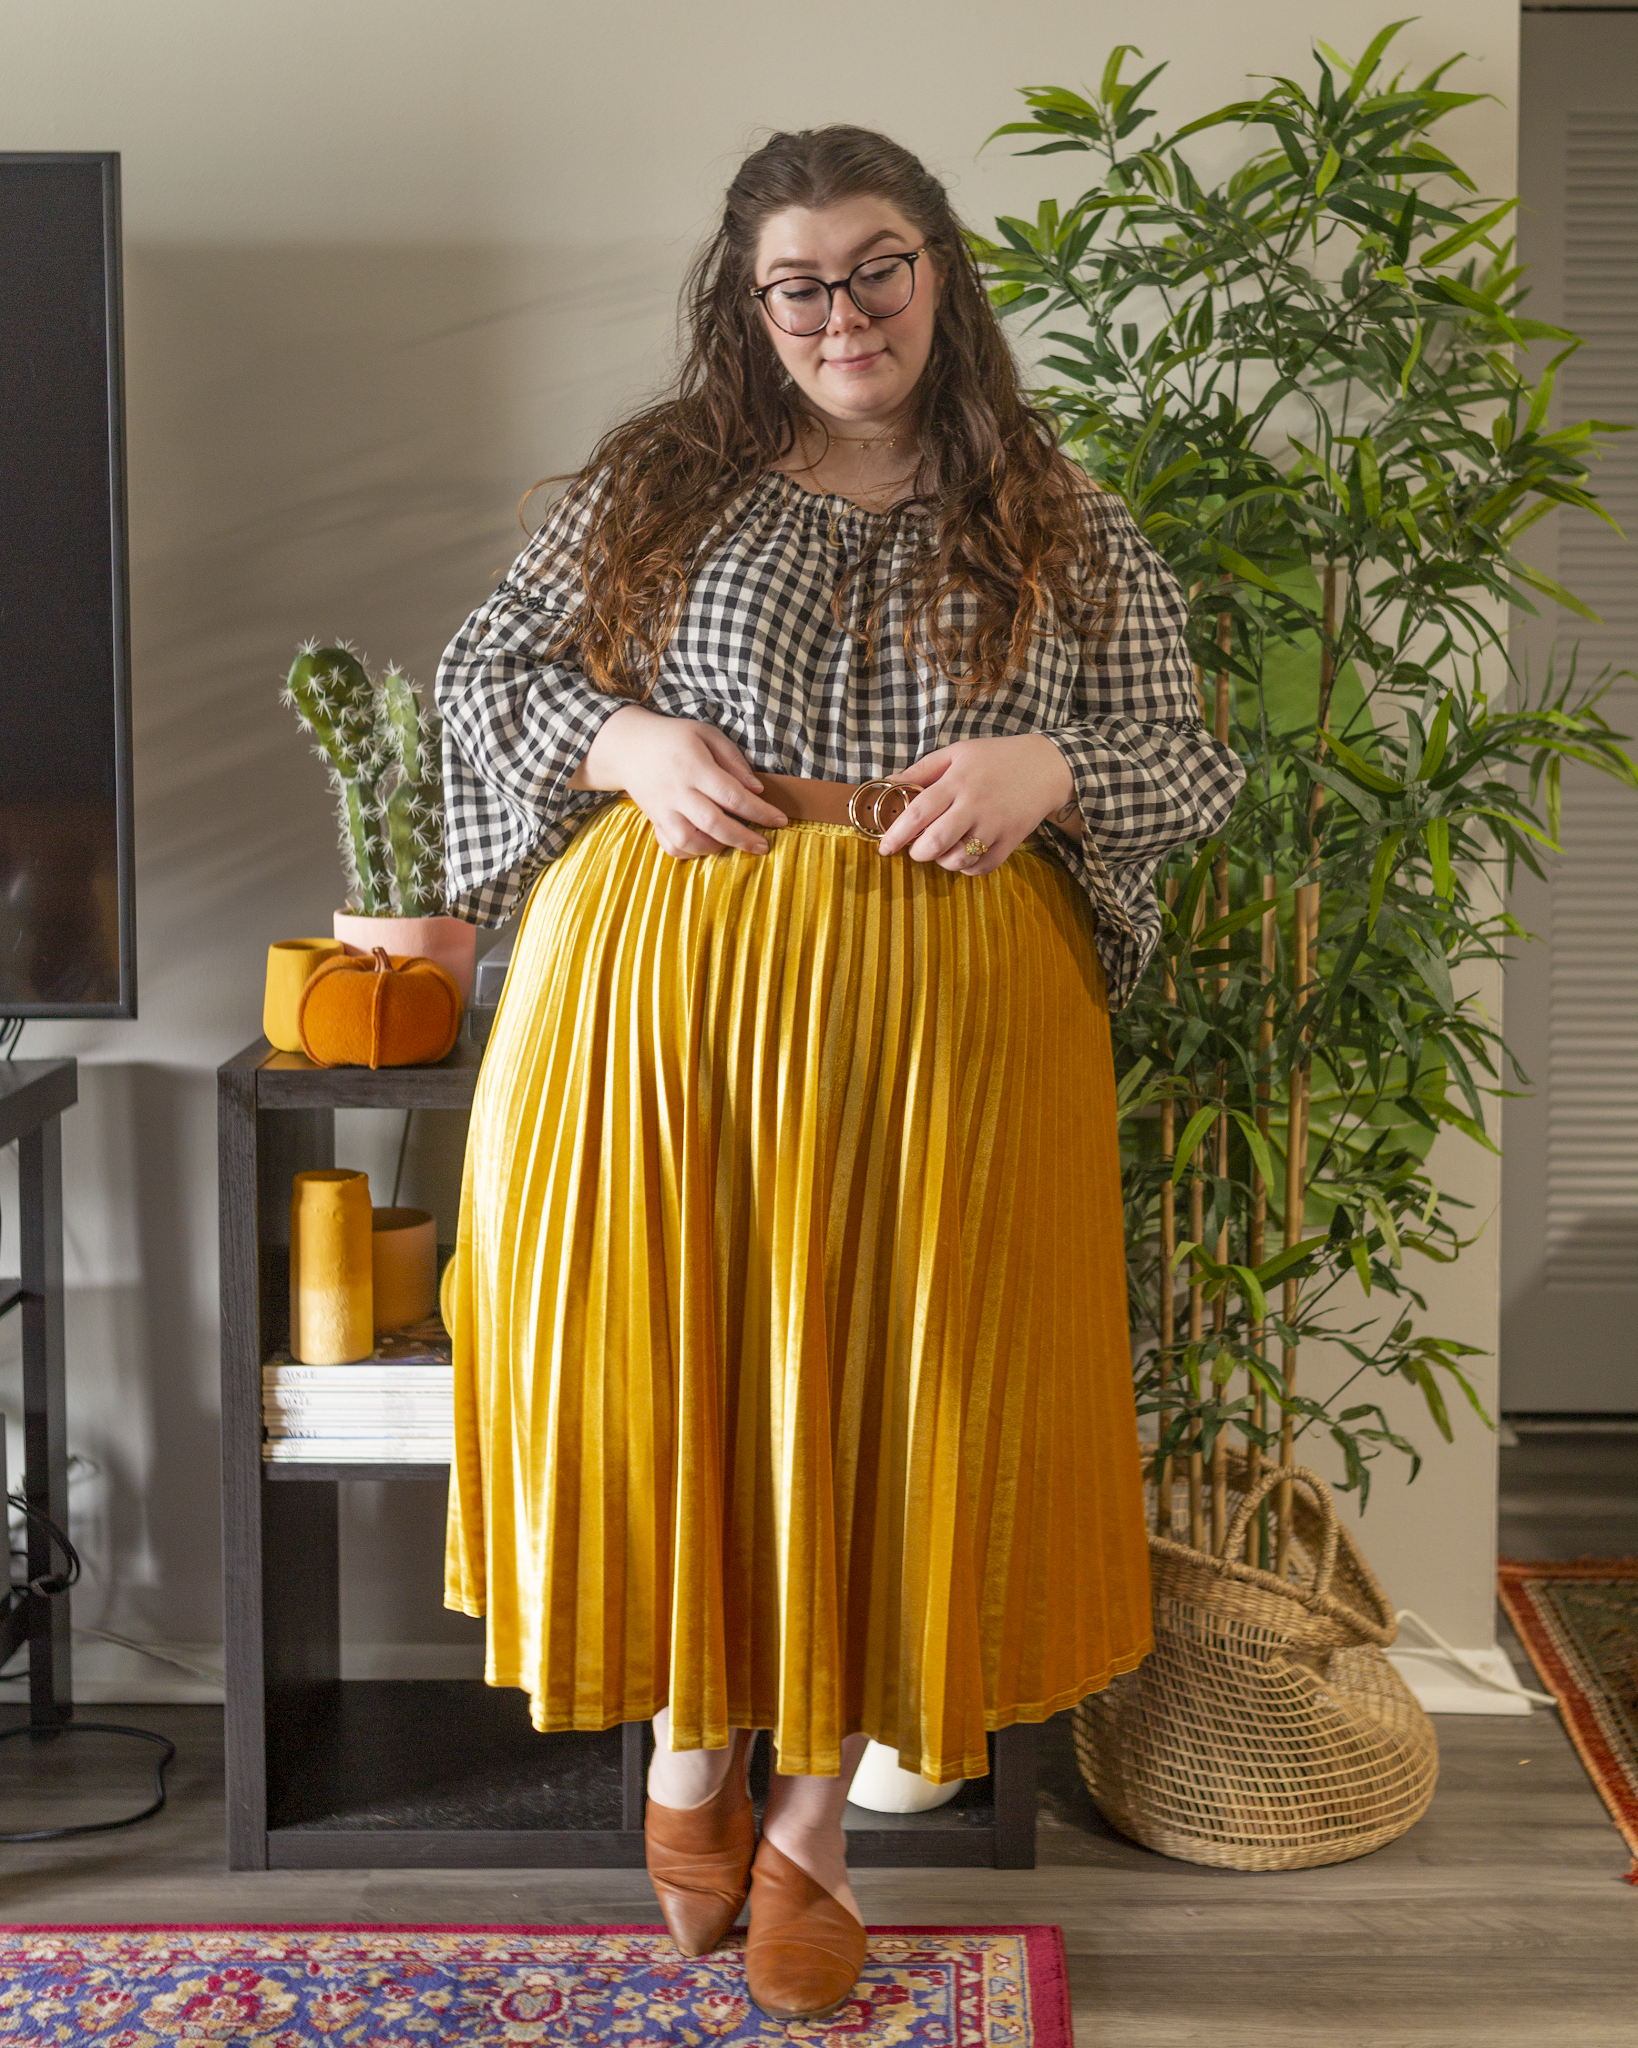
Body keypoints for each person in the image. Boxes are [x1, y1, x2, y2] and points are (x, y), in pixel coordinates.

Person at [436, 124, 1243, 2022]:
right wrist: (626, 736)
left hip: (953, 1028)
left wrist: (1050, 771)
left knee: (898, 1400)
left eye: (875, 267)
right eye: (796, 283)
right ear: (747, 303)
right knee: (672, 1369)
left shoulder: (1053, 507)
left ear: (938, 272)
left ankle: (809, 1831)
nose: (841, 314)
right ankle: (690, 1748)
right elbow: (483, 674)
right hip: (666, 1009)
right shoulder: (656, 482)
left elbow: (1185, 760)